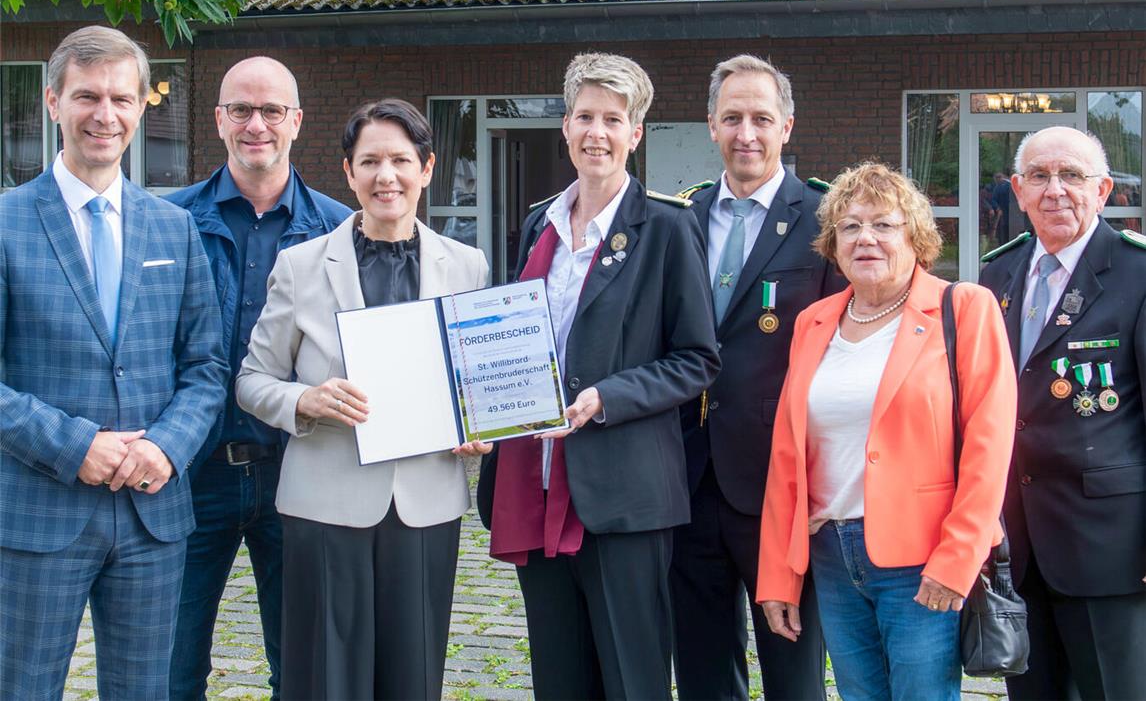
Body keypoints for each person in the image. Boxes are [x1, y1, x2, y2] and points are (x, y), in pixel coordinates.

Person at [476, 52, 721, 699]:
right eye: (585, 116)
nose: (597, 132)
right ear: (565, 125)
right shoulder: (540, 223)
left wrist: (607, 397)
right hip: (535, 483)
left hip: (624, 497)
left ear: (635, 133)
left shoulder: (668, 226)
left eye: (613, 119)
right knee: (558, 681)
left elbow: (697, 359)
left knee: (632, 683)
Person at [234, 98, 489, 700]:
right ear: (349, 173)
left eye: (400, 160)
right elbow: (252, 380)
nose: (386, 176)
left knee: (413, 678)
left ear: (427, 168)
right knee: (326, 680)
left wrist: (479, 427)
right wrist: (305, 401)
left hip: (426, 501)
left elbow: (474, 384)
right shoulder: (300, 266)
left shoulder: (467, 266)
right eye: (370, 161)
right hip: (325, 504)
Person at [0, 26, 227, 699]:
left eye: (122, 99)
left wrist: (166, 446)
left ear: (141, 106)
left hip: (152, 513)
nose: (106, 114)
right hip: (38, 513)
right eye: (87, 96)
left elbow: (206, 367)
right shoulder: (7, 223)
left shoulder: (174, 227)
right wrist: (76, 446)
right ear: (53, 102)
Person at [757, 162, 1016, 701]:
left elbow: (989, 449)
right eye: (850, 226)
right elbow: (788, 457)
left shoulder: (964, 308)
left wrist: (959, 557)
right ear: (833, 244)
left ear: (915, 236)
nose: (865, 238)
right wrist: (778, 573)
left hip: (922, 558)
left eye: (883, 225)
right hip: (831, 553)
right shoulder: (814, 322)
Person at [166, 57, 351, 700]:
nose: (256, 125)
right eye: (241, 110)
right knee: (170, 670)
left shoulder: (340, 230)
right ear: (219, 119)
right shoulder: (168, 221)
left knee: (303, 671)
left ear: (296, 121)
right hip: (190, 474)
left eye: (272, 110)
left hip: (299, 470)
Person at [670, 55, 838, 701]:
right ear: (711, 124)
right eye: (733, 117)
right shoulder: (679, 217)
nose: (747, 134)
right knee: (704, 672)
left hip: (779, 486)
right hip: (687, 479)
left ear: (786, 126)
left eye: (762, 119)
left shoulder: (824, 220)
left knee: (793, 675)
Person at [979, 126, 1146, 700]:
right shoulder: (997, 275)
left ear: (1102, 190)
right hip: (1016, 548)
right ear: (1018, 191)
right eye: (1039, 177)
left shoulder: (1137, 273)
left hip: (1108, 547)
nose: (1055, 190)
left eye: (1071, 175)